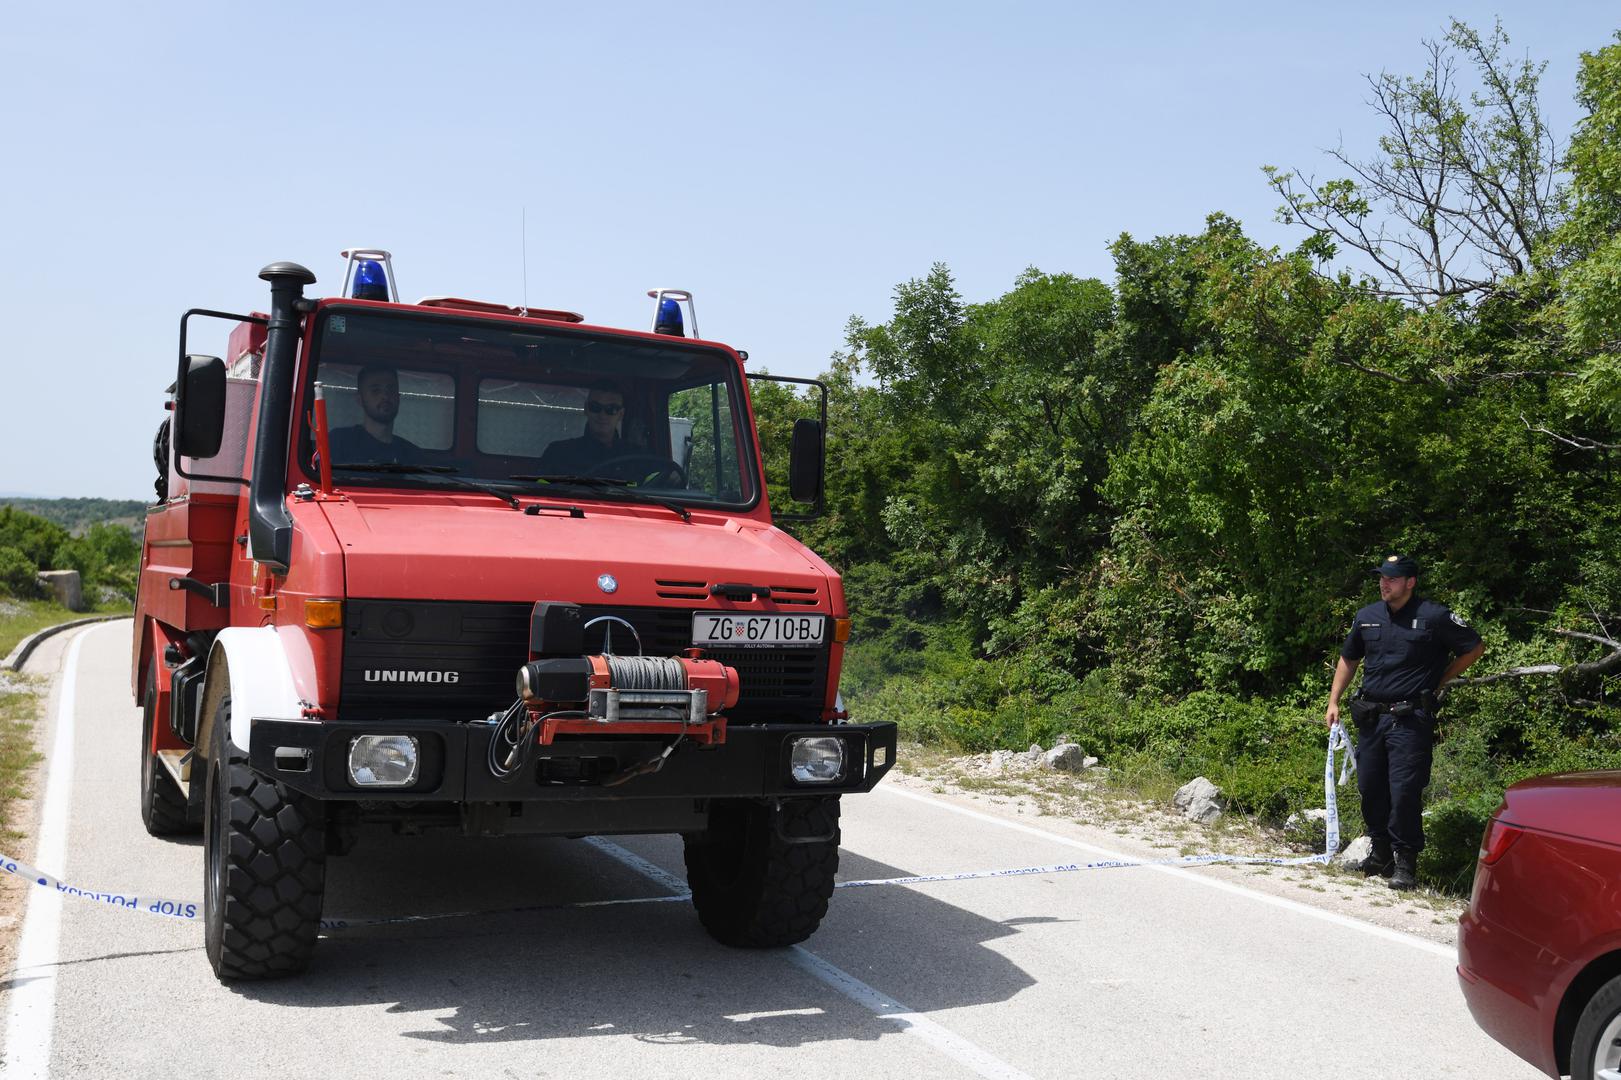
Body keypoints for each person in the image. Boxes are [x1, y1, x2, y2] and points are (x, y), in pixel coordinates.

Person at [1324, 554, 1484, 890]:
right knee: (1370, 788)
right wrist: (1334, 699)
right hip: (1372, 717)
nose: (1384, 583)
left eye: (1392, 578)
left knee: (1405, 792)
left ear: (1410, 582)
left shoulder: (1434, 616)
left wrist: (1441, 679)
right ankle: (1379, 853)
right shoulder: (1367, 616)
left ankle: (1405, 863)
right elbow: (1349, 658)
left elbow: (1473, 646)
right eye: (1382, 577)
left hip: (1410, 720)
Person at [327, 366, 421, 465]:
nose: (385, 396)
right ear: (359, 399)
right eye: (376, 390)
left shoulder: (412, 455)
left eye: (391, 389)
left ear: (398, 397)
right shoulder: (339, 441)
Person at [536, 381, 627, 475]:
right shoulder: (558, 453)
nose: (602, 415)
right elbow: (540, 487)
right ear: (586, 409)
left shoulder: (636, 457)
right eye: (595, 407)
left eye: (611, 409)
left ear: (621, 414)